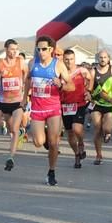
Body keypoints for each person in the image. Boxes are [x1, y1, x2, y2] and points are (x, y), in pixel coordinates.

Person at [23, 35, 71, 186]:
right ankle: (46, 143)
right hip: (37, 108)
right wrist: (25, 98)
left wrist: (61, 85)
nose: (41, 52)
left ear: (51, 50)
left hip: (53, 109)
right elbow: (28, 81)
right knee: (38, 142)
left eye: (44, 49)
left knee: (54, 143)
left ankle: (51, 171)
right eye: (38, 49)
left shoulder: (58, 65)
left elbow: (71, 86)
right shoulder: (32, 63)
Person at [0, 39, 29, 171]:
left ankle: (10, 157)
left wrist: (25, 91)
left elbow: (27, 76)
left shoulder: (20, 62)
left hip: (18, 102)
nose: (14, 52)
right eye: (11, 49)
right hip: (4, 102)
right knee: (10, 128)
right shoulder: (0, 63)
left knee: (13, 129)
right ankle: (19, 131)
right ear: (6, 49)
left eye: (16, 49)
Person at [60, 49, 92, 168]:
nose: (69, 62)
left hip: (79, 104)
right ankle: (77, 154)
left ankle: (81, 143)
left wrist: (88, 91)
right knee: (70, 133)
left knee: (77, 128)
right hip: (65, 105)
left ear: (75, 59)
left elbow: (90, 78)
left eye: (71, 59)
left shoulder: (81, 70)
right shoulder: (60, 72)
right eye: (66, 59)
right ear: (63, 59)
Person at [90, 51, 112, 165]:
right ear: (98, 59)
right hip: (97, 103)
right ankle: (98, 154)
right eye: (100, 57)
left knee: (107, 128)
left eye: (105, 57)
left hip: (110, 104)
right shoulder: (93, 72)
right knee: (97, 127)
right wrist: (88, 94)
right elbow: (89, 88)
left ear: (108, 59)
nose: (103, 59)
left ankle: (108, 133)